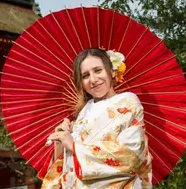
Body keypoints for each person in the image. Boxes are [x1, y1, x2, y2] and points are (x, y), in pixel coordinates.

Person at [38, 48, 153, 188]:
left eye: (98, 70)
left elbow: (132, 155)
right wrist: (61, 143)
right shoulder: (83, 113)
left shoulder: (129, 103)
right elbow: (67, 168)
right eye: (85, 75)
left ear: (112, 71)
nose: (93, 80)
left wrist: (74, 146)